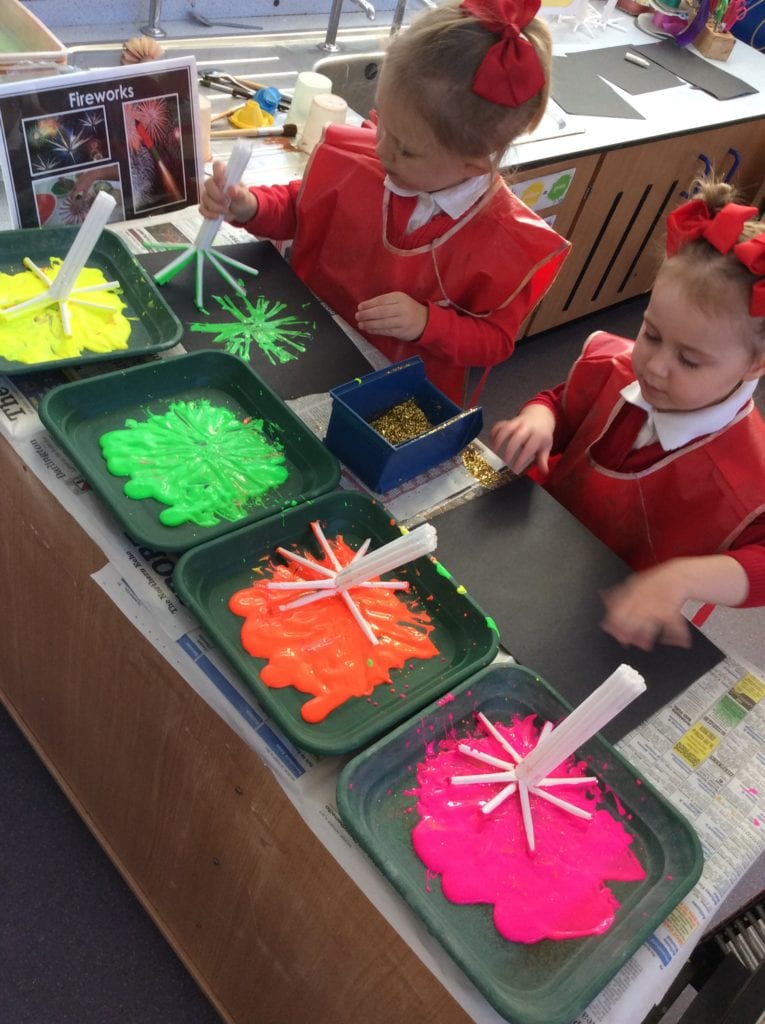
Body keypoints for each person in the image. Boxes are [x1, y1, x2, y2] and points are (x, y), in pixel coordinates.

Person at [199, 0, 570, 405]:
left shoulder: (504, 243)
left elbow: (494, 342)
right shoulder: (367, 160)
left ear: (475, 163)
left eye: (405, 148)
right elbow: (299, 208)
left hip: (399, 396)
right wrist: (250, 206)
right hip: (304, 348)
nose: (381, 149)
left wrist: (427, 323)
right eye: (383, 126)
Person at [490, 180, 765, 651]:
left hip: (609, 619)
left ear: (754, 366)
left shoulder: (750, 474)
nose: (655, 367)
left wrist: (683, 577)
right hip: (531, 552)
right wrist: (540, 419)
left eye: (689, 360)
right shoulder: (612, 366)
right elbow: (560, 404)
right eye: (651, 335)